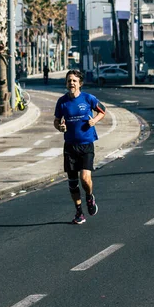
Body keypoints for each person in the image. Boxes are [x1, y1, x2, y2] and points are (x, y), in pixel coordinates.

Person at [54, 69, 106, 225]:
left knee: (84, 178)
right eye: (69, 80)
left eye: (74, 81)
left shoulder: (88, 98)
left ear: (80, 83)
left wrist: (94, 121)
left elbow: (102, 111)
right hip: (70, 146)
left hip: (86, 144)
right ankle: (79, 212)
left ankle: (89, 197)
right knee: (72, 183)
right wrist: (60, 127)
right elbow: (57, 121)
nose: (71, 83)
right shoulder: (62, 101)